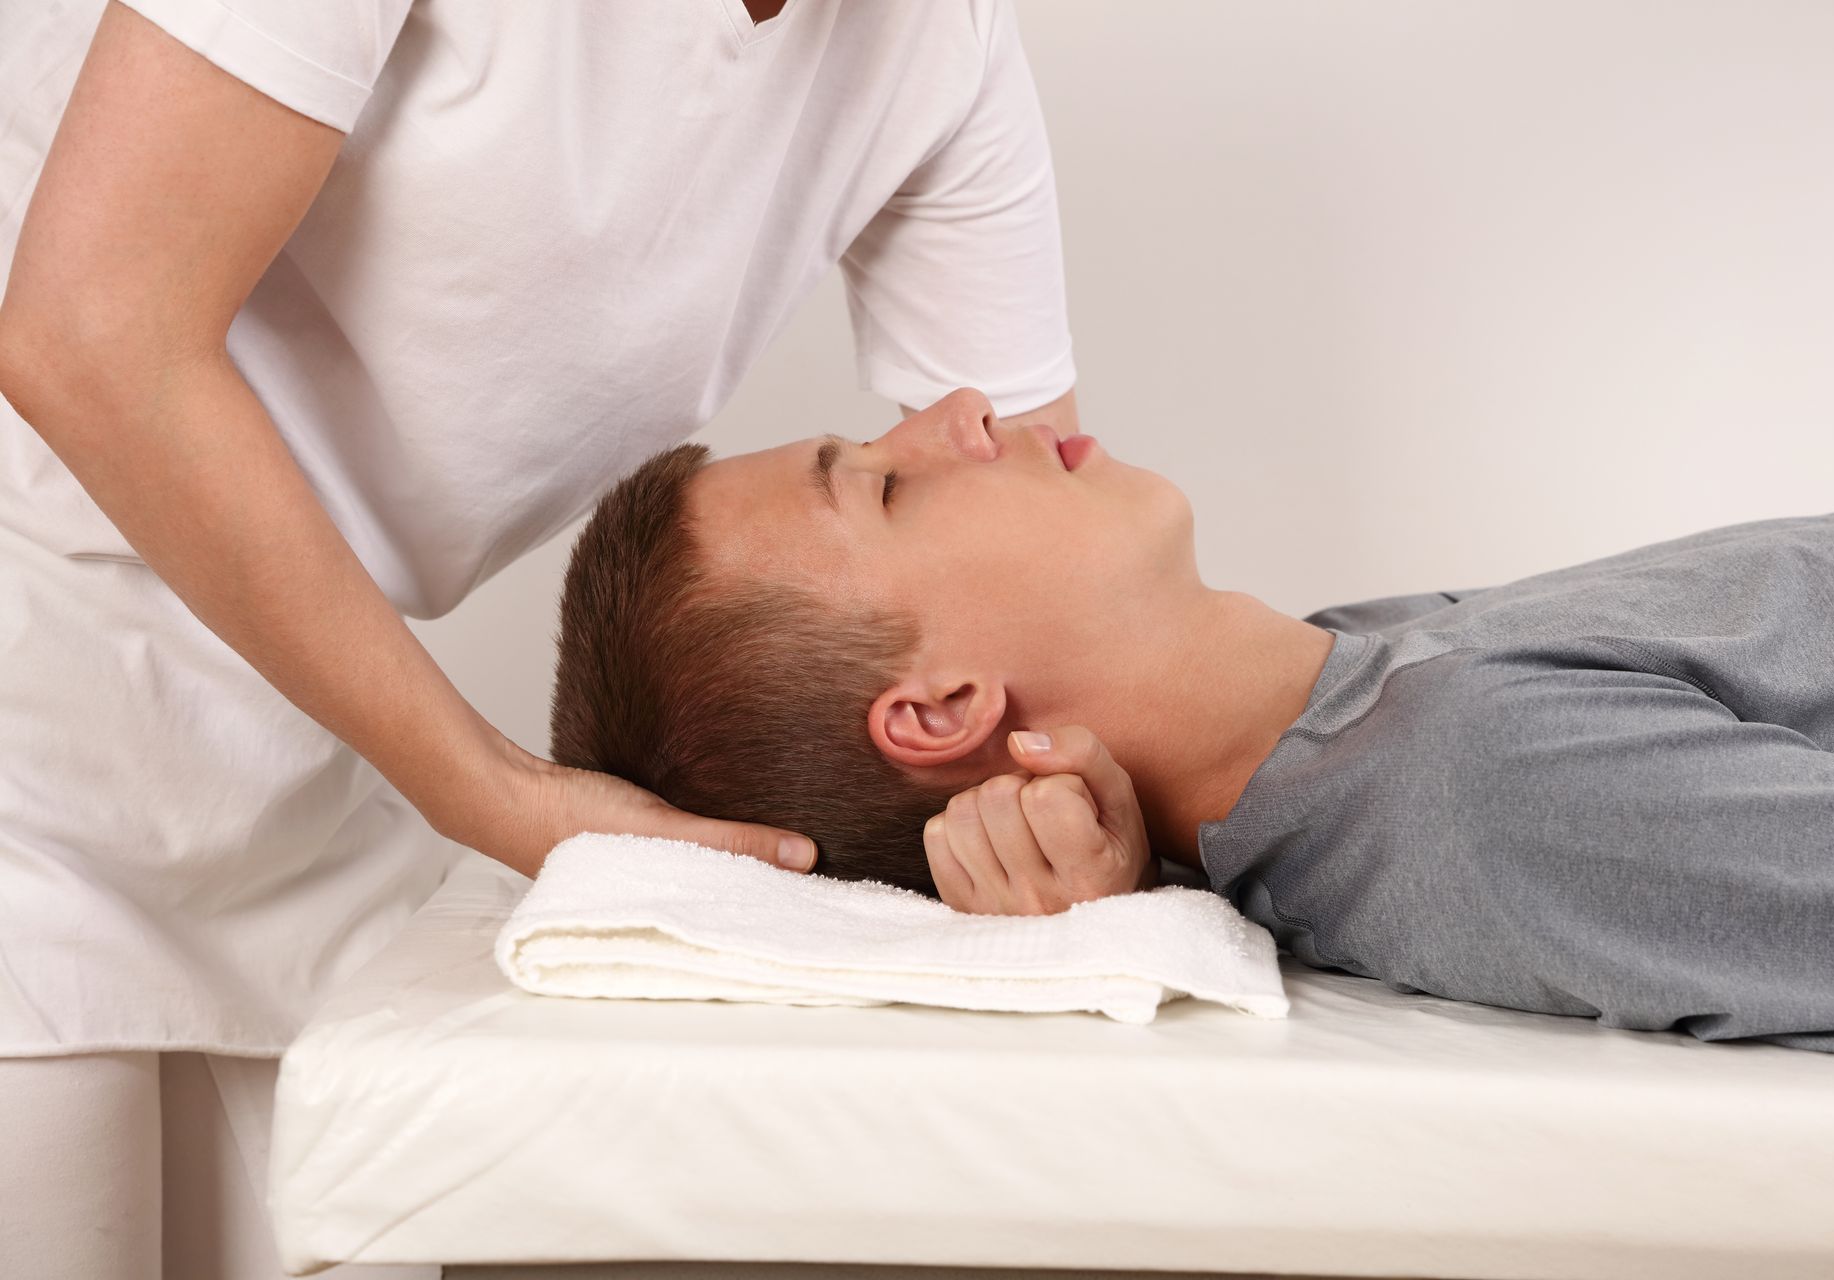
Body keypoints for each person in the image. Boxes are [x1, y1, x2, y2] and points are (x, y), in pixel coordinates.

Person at [0, 1, 1079, 1273]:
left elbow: (1056, 549)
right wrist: (495, 794)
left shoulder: (938, 44)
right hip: (30, 715)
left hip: (299, 771)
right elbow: (89, 334)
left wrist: (1075, 811)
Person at [545, 387, 1834, 1064]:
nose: (956, 410)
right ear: (943, 708)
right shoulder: (1475, 781)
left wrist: (1137, 865)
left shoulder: (1358, 671)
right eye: (886, 486)